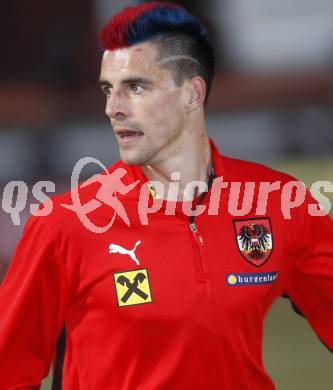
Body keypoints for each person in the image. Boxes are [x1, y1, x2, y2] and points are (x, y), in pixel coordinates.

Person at [0, 2, 332, 389]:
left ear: (192, 93)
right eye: (109, 90)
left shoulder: (282, 204)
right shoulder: (66, 223)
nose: (114, 109)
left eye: (136, 87)